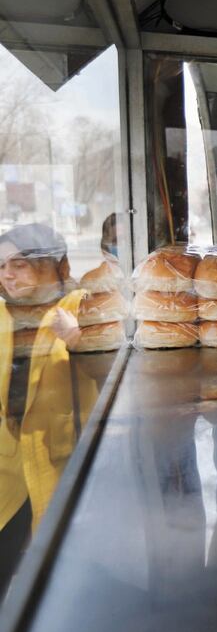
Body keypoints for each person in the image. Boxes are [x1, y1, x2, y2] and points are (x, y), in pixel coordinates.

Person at [0, 223, 95, 593]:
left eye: (20, 264)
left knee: (61, 580)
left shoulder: (81, 307)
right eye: (2, 265)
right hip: (8, 470)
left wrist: (78, 340)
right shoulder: (3, 316)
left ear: (58, 266)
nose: (8, 274)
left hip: (65, 465)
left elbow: (114, 374)